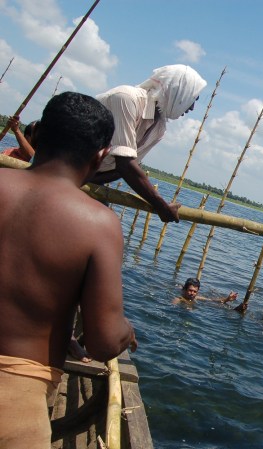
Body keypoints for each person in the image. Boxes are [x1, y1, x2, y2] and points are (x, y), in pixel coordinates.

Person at [0, 92, 137, 448]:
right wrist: (125, 330)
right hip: (14, 398)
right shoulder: (97, 223)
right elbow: (105, 342)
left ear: (39, 134)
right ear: (100, 156)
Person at [91, 64, 207, 223]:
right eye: (192, 99)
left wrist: (85, 181)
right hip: (61, 167)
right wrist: (161, 205)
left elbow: (123, 169)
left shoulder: (159, 129)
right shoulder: (126, 98)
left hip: (88, 179)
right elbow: (124, 163)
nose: (192, 107)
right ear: (178, 92)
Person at [172, 277, 238, 306]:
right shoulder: (178, 299)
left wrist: (227, 299)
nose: (192, 293)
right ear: (185, 289)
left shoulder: (195, 297)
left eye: (195, 291)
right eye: (190, 290)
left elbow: (212, 300)